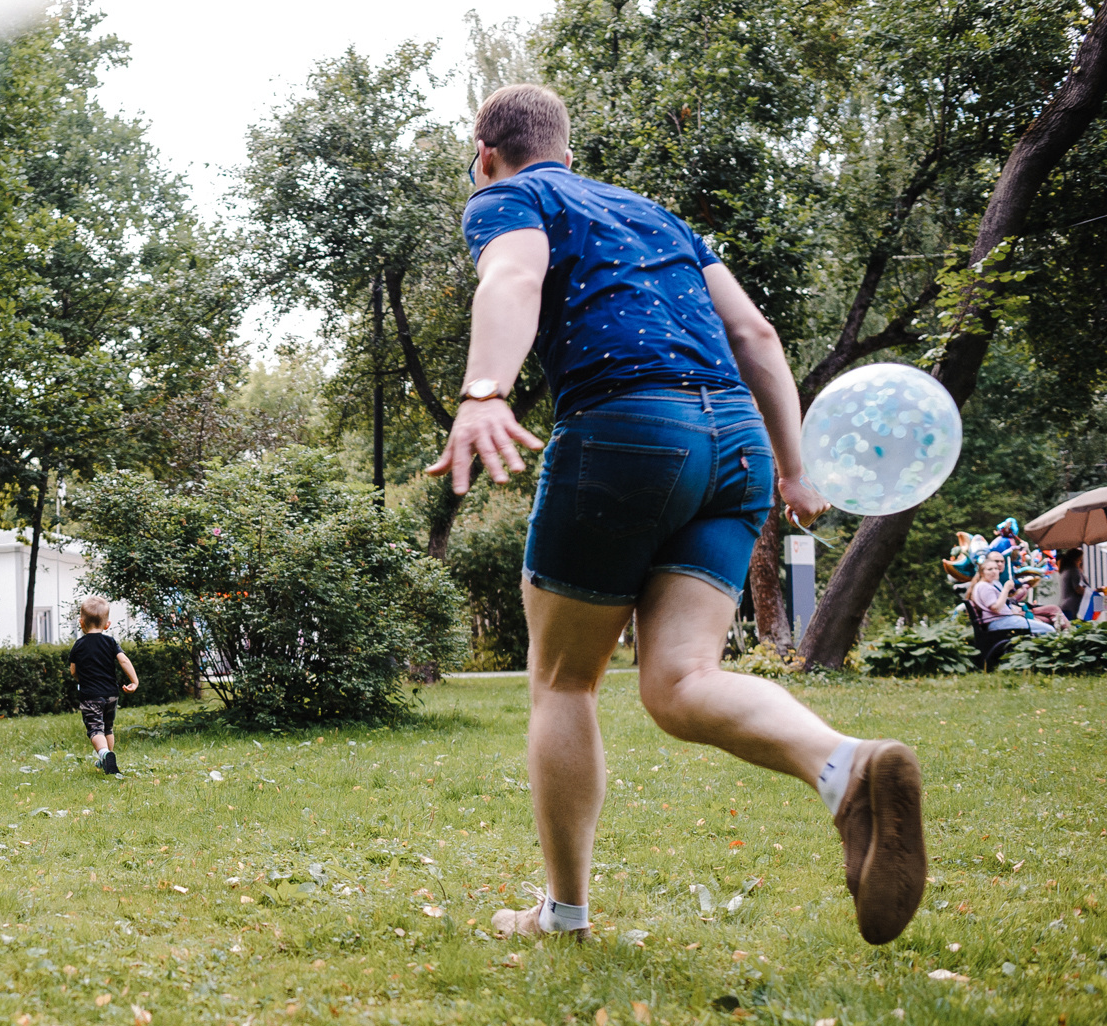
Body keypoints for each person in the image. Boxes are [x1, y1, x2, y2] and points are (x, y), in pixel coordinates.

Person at [428, 84, 927, 947]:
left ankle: (565, 915)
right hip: (735, 442)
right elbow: (758, 336)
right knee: (681, 681)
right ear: (572, 151)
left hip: (628, 426)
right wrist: (795, 467)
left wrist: (483, 390)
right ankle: (846, 767)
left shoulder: (512, 195)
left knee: (563, 680)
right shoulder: (658, 217)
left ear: (486, 155)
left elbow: (513, 273)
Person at [67, 596, 138, 775]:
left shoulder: (79, 645)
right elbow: (123, 660)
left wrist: (79, 680)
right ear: (107, 624)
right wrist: (134, 681)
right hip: (111, 694)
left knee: (95, 729)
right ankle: (106, 759)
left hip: (91, 694)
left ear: (81, 622)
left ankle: (104, 753)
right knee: (108, 727)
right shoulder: (110, 642)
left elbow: (74, 670)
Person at [967, 553, 1059, 635]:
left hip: (1003, 620)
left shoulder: (986, 585)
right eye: (990, 569)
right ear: (982, 572)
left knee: (1045, 624)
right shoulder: (984, 587)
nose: (994, 571)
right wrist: (1006, 589)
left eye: (995, 568)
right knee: (1049, 630)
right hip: (1000, 622)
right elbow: (996, 608)